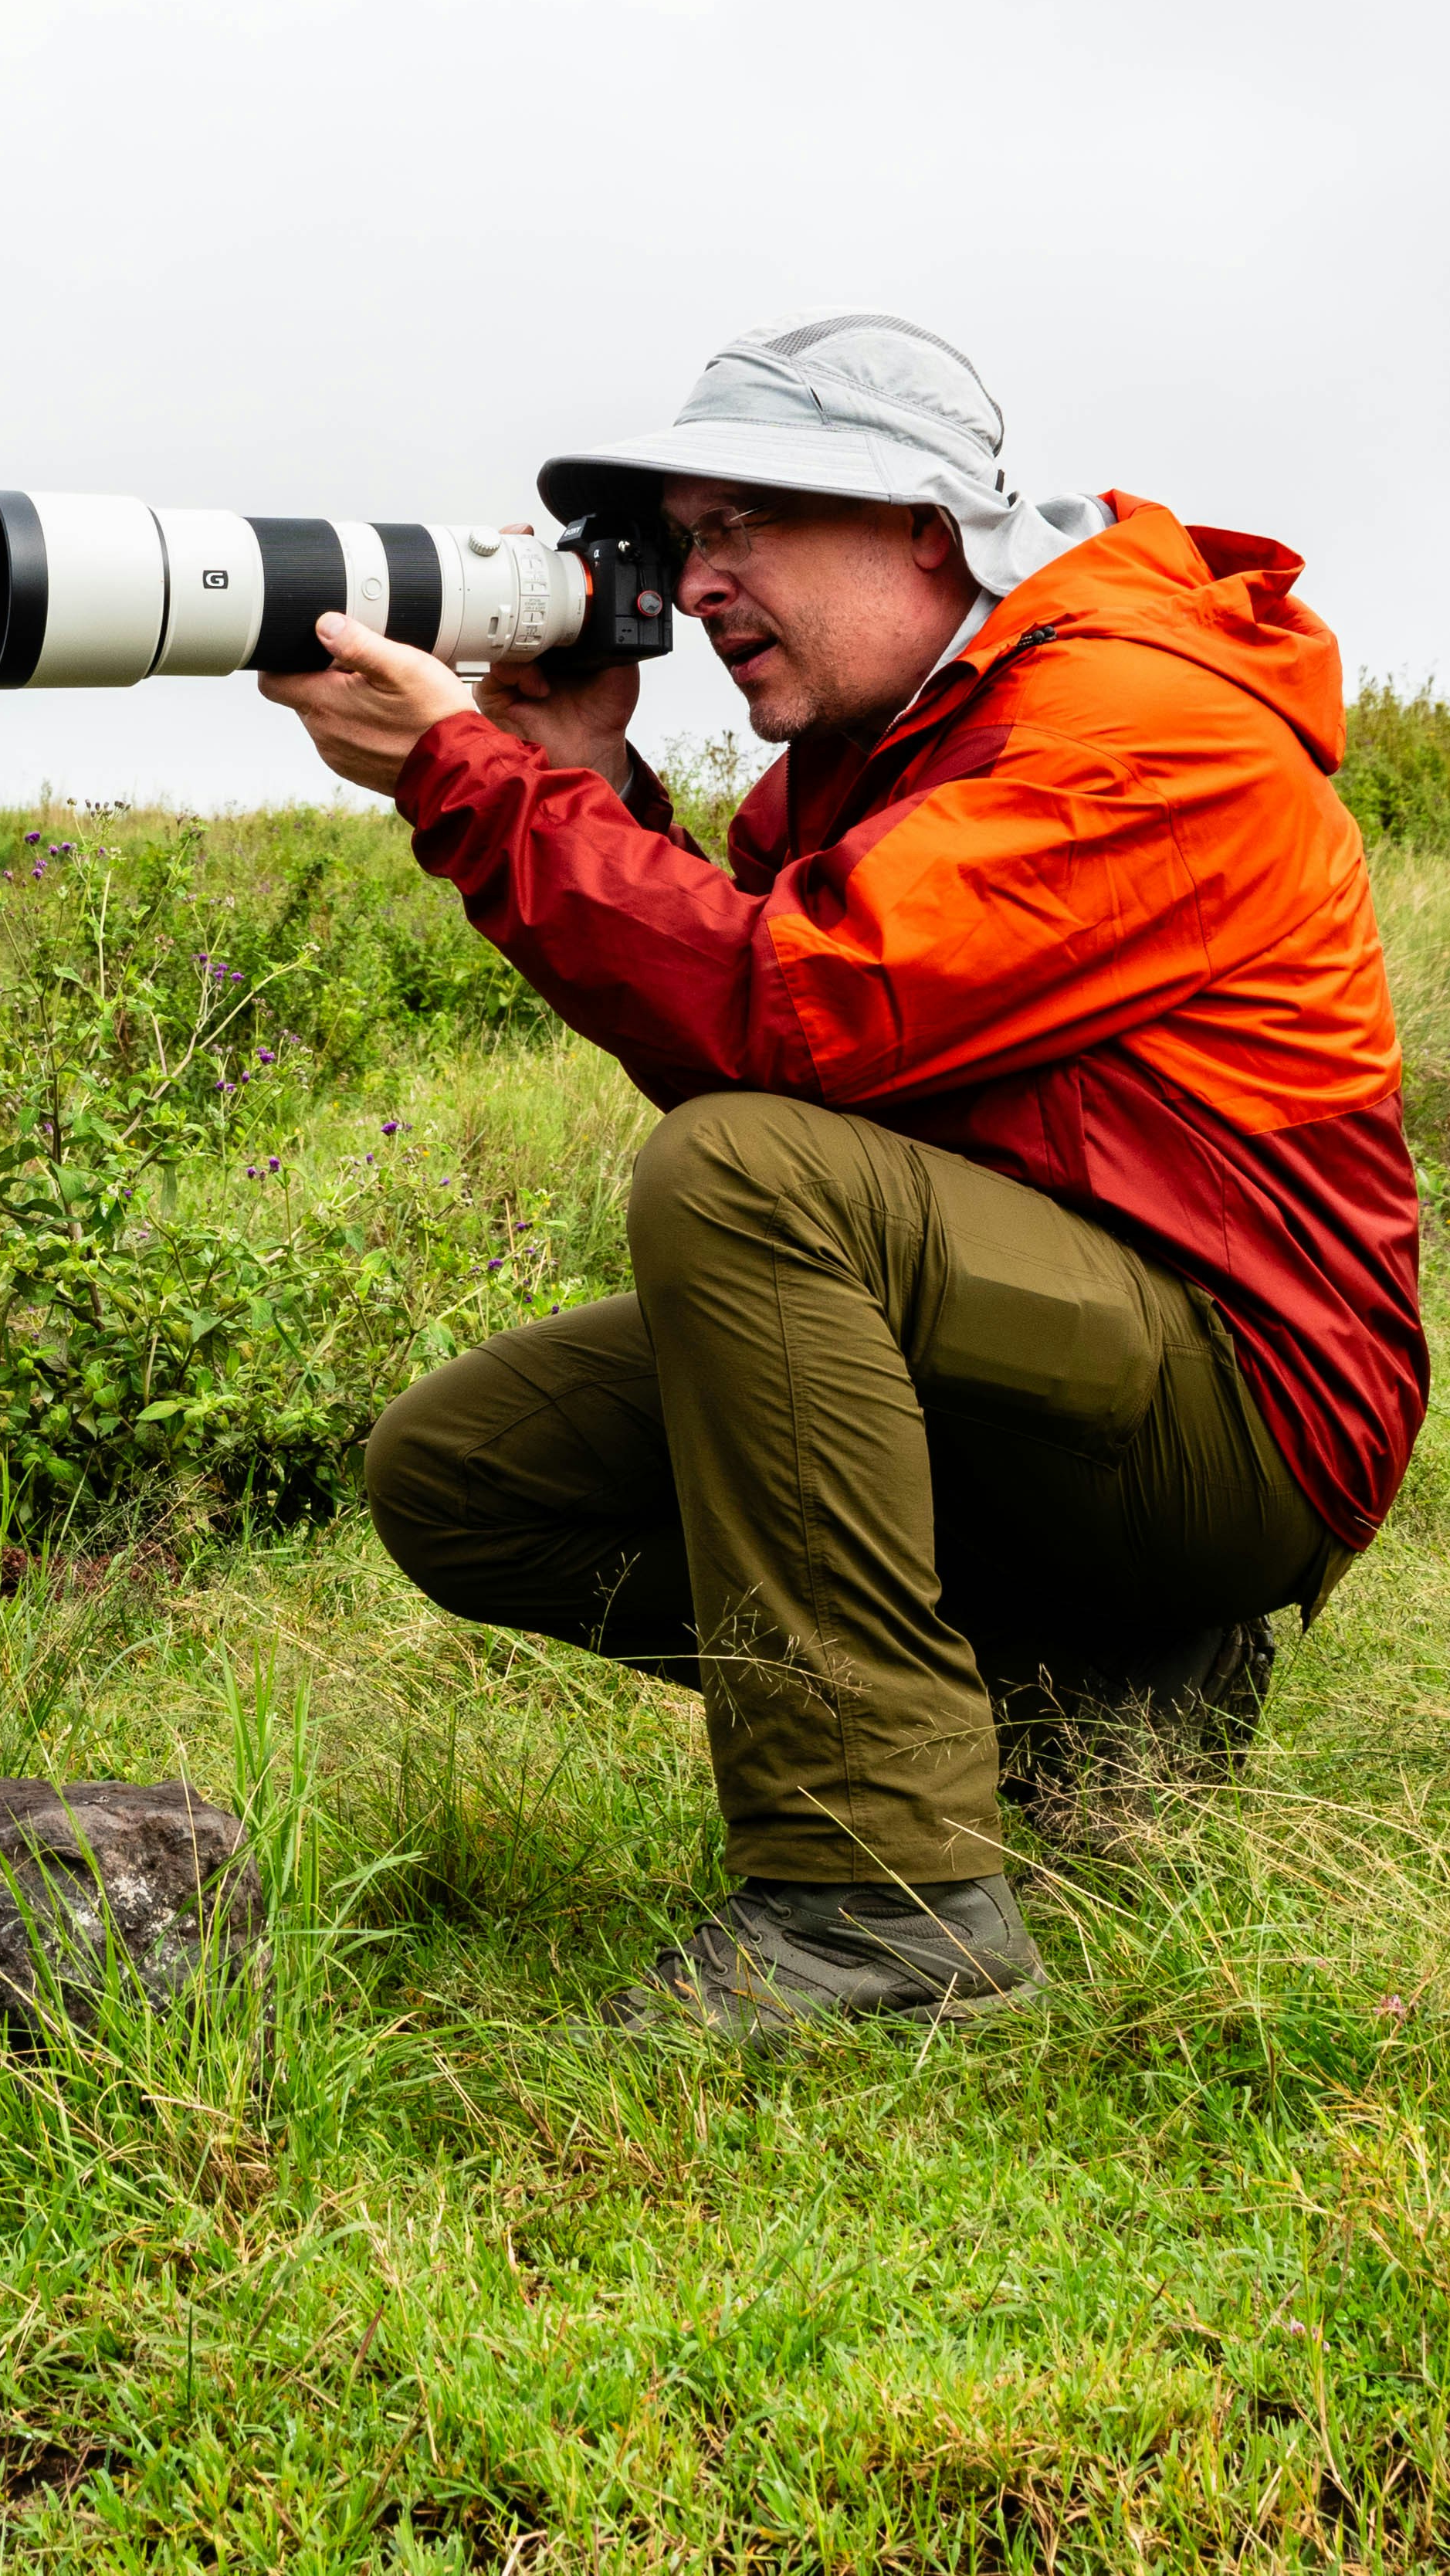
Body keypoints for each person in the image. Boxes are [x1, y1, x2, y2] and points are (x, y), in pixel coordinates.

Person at [259, 313, 1427, 2037]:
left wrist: (474, 786)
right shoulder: (861, 765)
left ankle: (878, 1904)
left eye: (743, 523)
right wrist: (587, 788)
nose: (695, 576)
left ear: (923, 530)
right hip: (1044, 1358)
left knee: (742, 1177)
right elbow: (764, 1019)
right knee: (465, 1472)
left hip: (1244, 1405)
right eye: (678, 535)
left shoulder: (1135, 719)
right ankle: (1075, 1702)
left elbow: (783, 1023)